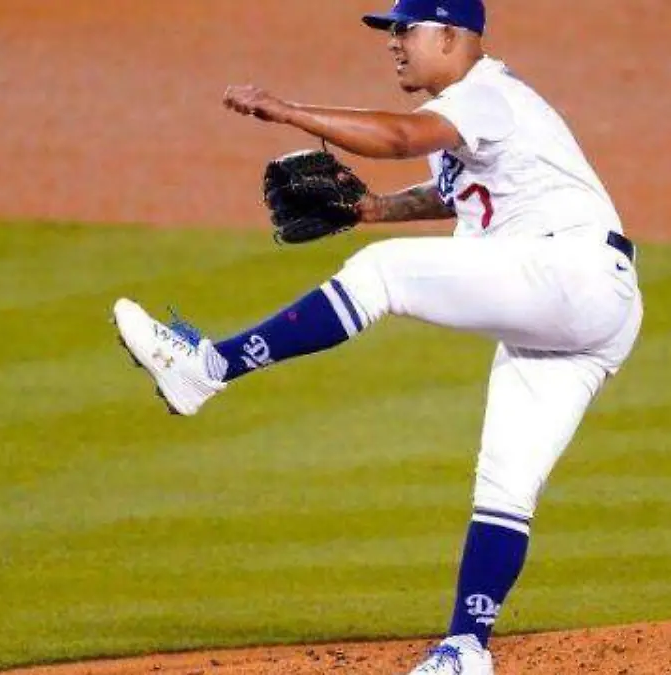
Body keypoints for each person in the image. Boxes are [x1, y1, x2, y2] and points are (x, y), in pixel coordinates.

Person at [112, 0, 643, 672]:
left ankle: (207, 367)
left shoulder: (486, 96)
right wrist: (371, 208)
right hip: (587, 307)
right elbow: (453, 194)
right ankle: (465, 649)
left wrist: (290, 111)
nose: (393, 42)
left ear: (451, 35)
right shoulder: (475, 114)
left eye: (405, 29)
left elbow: (397, 137)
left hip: (573, 274)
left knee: (384, 272)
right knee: (505, 484)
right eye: (390, 30)